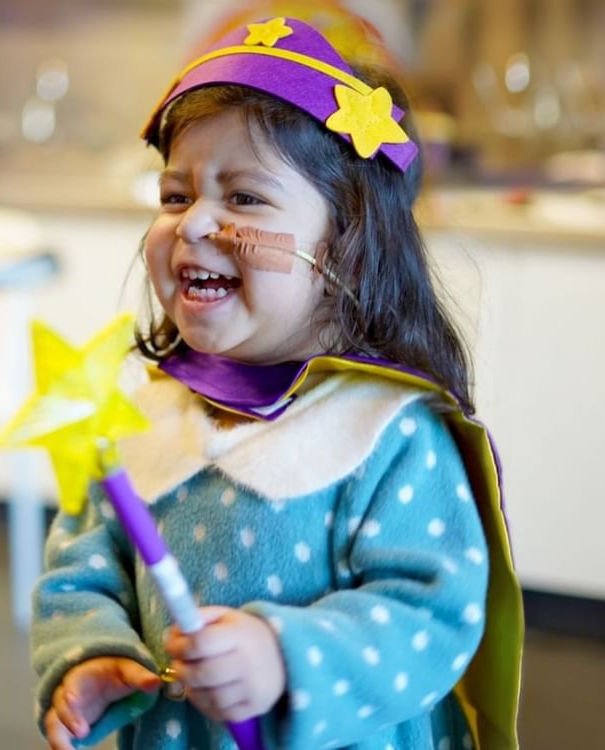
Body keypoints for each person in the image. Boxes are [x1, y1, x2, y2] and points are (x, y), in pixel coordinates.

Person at [30, 16, 522, 750]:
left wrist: (282, 657)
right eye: (174, 196)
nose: (195, 223)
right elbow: (83, 566)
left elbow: (432, 613)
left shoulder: (387, 431)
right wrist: (93, 654)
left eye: (245, 199)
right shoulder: (139, 417)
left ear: (348, 248)